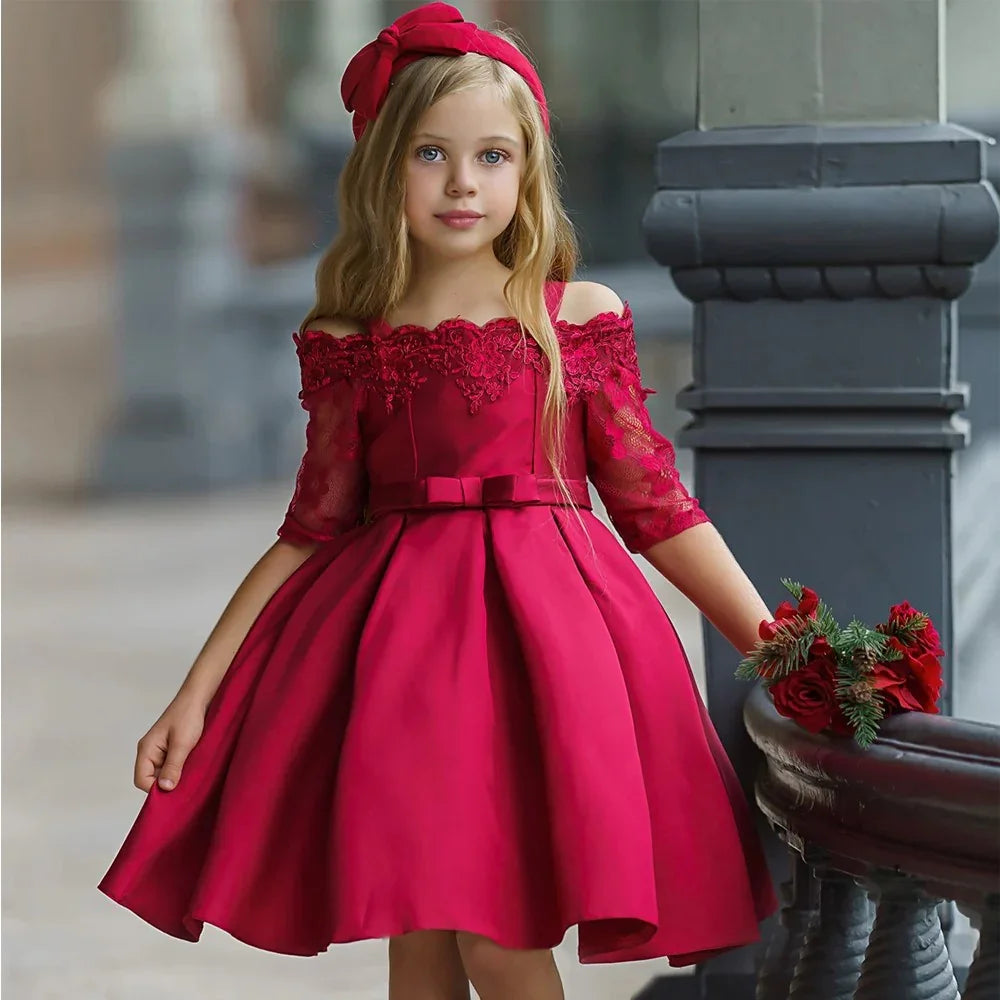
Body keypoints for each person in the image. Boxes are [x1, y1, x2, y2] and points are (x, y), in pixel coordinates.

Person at [98, 4, 780, 998]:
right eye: (432, 153)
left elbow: (657, 508)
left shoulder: (574, 319)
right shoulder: (350, 336)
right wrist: (194, 695)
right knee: (420, 934)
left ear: (526, 170)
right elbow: (308, 528)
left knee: (493, 933)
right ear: (384, 164)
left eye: (493, 156)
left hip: (548, 649)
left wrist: (774, 642)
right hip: (405, 661)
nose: (464, 183)